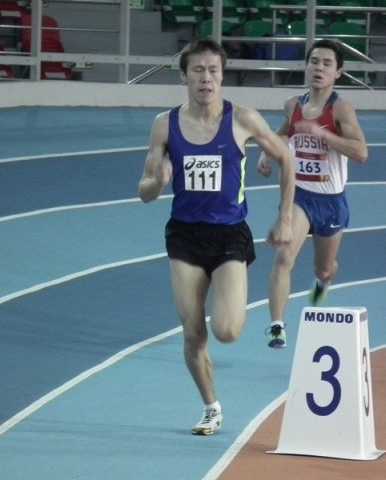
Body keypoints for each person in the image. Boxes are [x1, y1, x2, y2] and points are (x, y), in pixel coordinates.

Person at [138, 38, 295, 435]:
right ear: (184, 76)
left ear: (222, 76)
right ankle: (211, 407)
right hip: (184, 236)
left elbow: (286, 159)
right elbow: (144, 191)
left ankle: (231, 298)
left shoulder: (242, 119)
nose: (205, 78)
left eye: (213, 71)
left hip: (228, 236)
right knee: (193, 333)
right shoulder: (164, 125)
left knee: (226, 331)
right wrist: (159, 180)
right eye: (197, 70)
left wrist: (285, 218)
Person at [257, 39, 368, 349]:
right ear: (306, 67)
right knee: (284, 256)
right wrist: (267, 152)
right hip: (300, 197)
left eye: (327, 64)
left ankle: (322, 281)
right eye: (314, 61)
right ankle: (277, 326)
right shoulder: (293, 104)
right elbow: (284, 130)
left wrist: (323, 134)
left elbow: (361, 153)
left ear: (338, 73)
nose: (319, 68)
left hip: (331, 203)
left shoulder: (341, 108)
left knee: (324, 268)